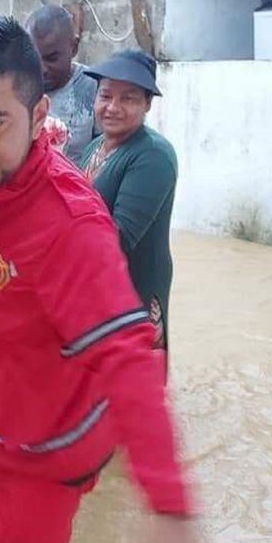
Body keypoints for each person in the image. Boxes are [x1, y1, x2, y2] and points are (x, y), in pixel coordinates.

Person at [0, 17, 206, 543]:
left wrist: (168, 506)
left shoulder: (70, 227)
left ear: (37, 118)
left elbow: (127, 360)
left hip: (41, 462)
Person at [79, 50, 177, 355]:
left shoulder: (152, 155)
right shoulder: (96, 146)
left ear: (147, 104)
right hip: (98, 283)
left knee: (137, 379)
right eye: (105, 95)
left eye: (129, 99)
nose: (113, 107)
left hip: (136, 284)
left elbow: (118, 237)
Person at [26, 4, 98, 159]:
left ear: (73, 48)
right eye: (34, 59)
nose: (42, 69)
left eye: (52, 58)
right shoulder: (15, 89)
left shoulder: (94, 87)